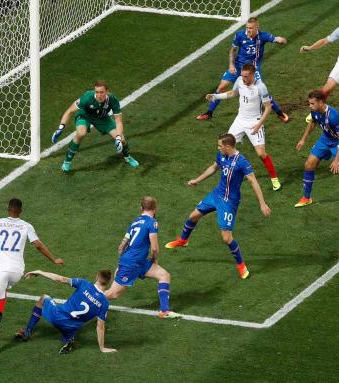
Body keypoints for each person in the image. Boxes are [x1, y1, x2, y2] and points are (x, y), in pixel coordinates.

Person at [0, 198, 64, 353]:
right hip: (18, 271)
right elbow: (37, 244)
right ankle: (0, 314)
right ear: (20, 211)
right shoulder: (26, 226)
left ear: (7, 209)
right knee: (5, 287)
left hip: (2, 269)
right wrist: (54, 259)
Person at [165, 133, 271, 279]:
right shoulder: (221, 156)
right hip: (216, 195)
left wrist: (262, 203)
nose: (218, 148)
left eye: (220, 146)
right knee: (193, 216)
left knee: (227, 238)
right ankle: (183, 240)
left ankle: (241, 265)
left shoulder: (242, 162)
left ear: (228, 146)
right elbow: (214, 168)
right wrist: (197, 180)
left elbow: (253, 181)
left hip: (229, 202)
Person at [196, 17, 289, 123]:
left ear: (257, 28)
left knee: (261, 90)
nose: (248, 30)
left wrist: (281, 40)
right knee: (222, 87)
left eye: (250, 28)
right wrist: (231, 65)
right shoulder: (239, 35)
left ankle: (280, 113)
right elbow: (232, 51)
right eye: (247, 27)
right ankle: (209, 113)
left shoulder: (263, 36)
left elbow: (279, 39)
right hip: (238, 66)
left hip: (252, 69)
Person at [206, 63, 281, 191]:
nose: (243, 79)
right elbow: (232, 93)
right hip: (240, 120)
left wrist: (259, 124)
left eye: (246, 76)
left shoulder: (260, 87)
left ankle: (274, 179)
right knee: (225, 146)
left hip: (254, 122)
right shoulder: (240, 80)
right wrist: (216, 96)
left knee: (261, 153)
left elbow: (268, 107)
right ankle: (227, 175)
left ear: (252, 75)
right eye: (242, 76)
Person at [104, 196, 181, 319]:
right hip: (133, 263)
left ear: (141, 208)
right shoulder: (152, 222)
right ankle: (91, 300)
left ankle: (164, 311)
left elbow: (121, 246)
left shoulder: (134, 222)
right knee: (113, 294)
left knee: (164, 275)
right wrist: (154, 259)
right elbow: (154, 248)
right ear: (155, 208)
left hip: (136, 261)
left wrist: (121, 262)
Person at [294, 90, 339, 216]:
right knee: (309, 164)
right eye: (309, 103)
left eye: (312, 103)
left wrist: (336, 160)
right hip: (325, 139)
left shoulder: (333, 115)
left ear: (321, 102)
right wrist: (303, 139)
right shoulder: (315, 111)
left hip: (338, 142)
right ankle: (306, 198)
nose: (310, 106)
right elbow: (313, 122)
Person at [15, 270, 116, 354]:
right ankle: (69, 339)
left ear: (97, 277)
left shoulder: (84, 283)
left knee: (44, 297)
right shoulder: (104, 303)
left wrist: (40, 272)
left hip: (57, 317)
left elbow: (60, 279)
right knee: (75, 327)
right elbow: (100, 326)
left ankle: (27, 331)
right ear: (108, 283)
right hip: (70, 328)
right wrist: (102, 348)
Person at [52, 80, 139, 173]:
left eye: (101, 92)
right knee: (81, 133)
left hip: (102, 117)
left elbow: (119, 121)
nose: (99, 95)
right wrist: (60, 128)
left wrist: (118, 137)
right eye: (97, 92)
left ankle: (128, 157)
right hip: (85, 115)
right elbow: (69, 111)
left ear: (107, 91)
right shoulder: (87, 98)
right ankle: (67, 162)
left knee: (122, 139)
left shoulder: (112, 99)